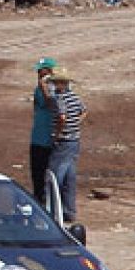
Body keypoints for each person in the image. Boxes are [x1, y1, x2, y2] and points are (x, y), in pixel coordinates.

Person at [48, 68, 86, 223]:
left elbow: (62, 116)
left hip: (64, 141)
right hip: (74, 140)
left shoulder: (60, 98)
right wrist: (76, 124)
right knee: (70, 177)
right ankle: (69, 211)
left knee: (55, 177)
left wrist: (58, 133)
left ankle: (54, 212)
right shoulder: (74, 97)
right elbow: (84, 111)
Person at [29, 57, 58, 204]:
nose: (40, 73)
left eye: (43, 70)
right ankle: (38, 199)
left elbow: (51, 103)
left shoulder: (55, 87)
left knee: (48, 172)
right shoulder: (38, 88)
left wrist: (44, 87)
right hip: (37, 136)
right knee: (36, 172)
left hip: (48, 137)